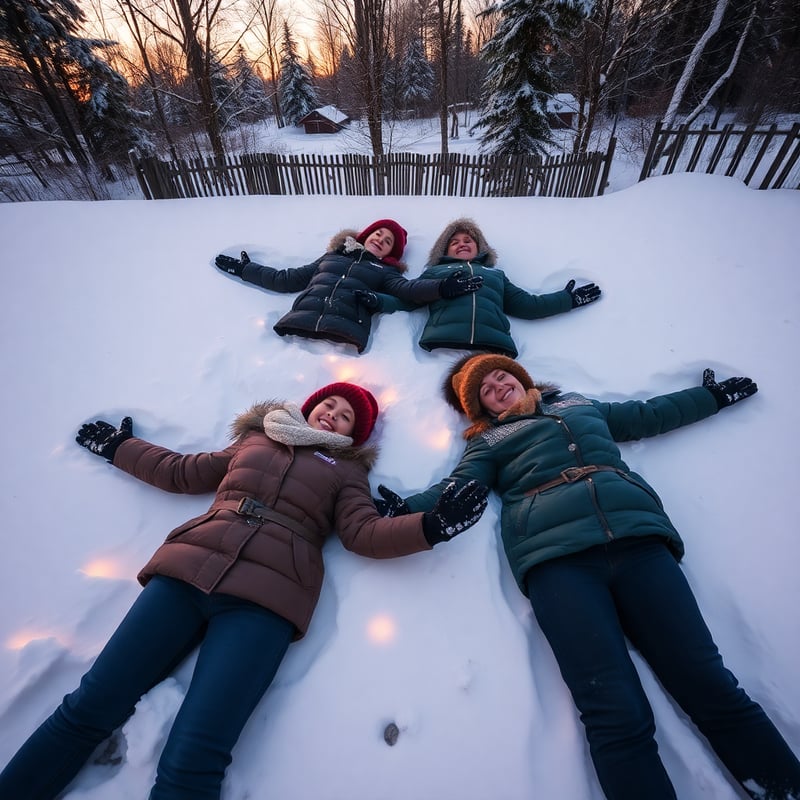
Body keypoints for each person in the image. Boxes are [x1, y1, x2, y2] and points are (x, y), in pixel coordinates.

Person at [0, 382, 488, 800]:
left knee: (196, 752)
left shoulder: (347, 471)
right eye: (331, 405)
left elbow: (362, 533)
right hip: (186, 572)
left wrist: (430, 526)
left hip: (266, 602)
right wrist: (120, 448)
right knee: (89, 706)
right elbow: (182, 471)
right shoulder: (258, 438)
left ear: (351, 436)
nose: (334, 415)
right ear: (310, 404)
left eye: (346, 418)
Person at [375, 353, 800, 800]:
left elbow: (648, 414)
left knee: (710, 683)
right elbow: (459, 485)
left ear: (519, 378)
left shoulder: (577, 404)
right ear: (482, 408)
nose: (499, 386)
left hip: (638, 543)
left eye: (501, 376)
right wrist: (407, 508)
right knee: (615, 712)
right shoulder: (489, 441)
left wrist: (709, 397)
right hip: (558, 563)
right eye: (486, 390)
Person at [214, 218, 483, 354]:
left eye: (388, 241)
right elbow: (287, 279)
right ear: (365, 236)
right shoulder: (331, 257)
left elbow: (408, 291)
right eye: (378, 233)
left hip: (342, 341)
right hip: (294, 332)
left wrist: (441, 287)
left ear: (390, 254)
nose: (380, 239)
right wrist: (246, 270)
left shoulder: (384, 272)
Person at [413, 218, 601, 357]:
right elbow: (410, 295)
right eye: (454, 242)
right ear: (444, 251)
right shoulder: (435, 272)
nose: (462, 244)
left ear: (479, 248)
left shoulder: (495, 275)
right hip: (442, 347)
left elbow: (527, 305)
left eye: (468, 240)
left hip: (492, 348)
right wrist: (382, 299)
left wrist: (567, 299)